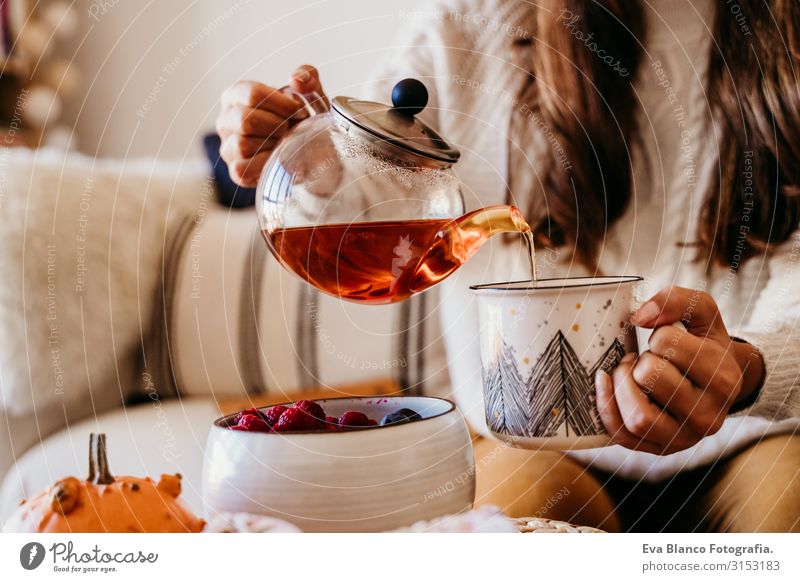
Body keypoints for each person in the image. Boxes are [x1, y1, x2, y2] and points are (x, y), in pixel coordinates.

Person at [215, 0, 800, 532]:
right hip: (537, 448)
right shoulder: (467, 25)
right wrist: (308, 164)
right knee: (506, 528)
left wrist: (751, 366)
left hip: (755, 433)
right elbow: (370, 193)